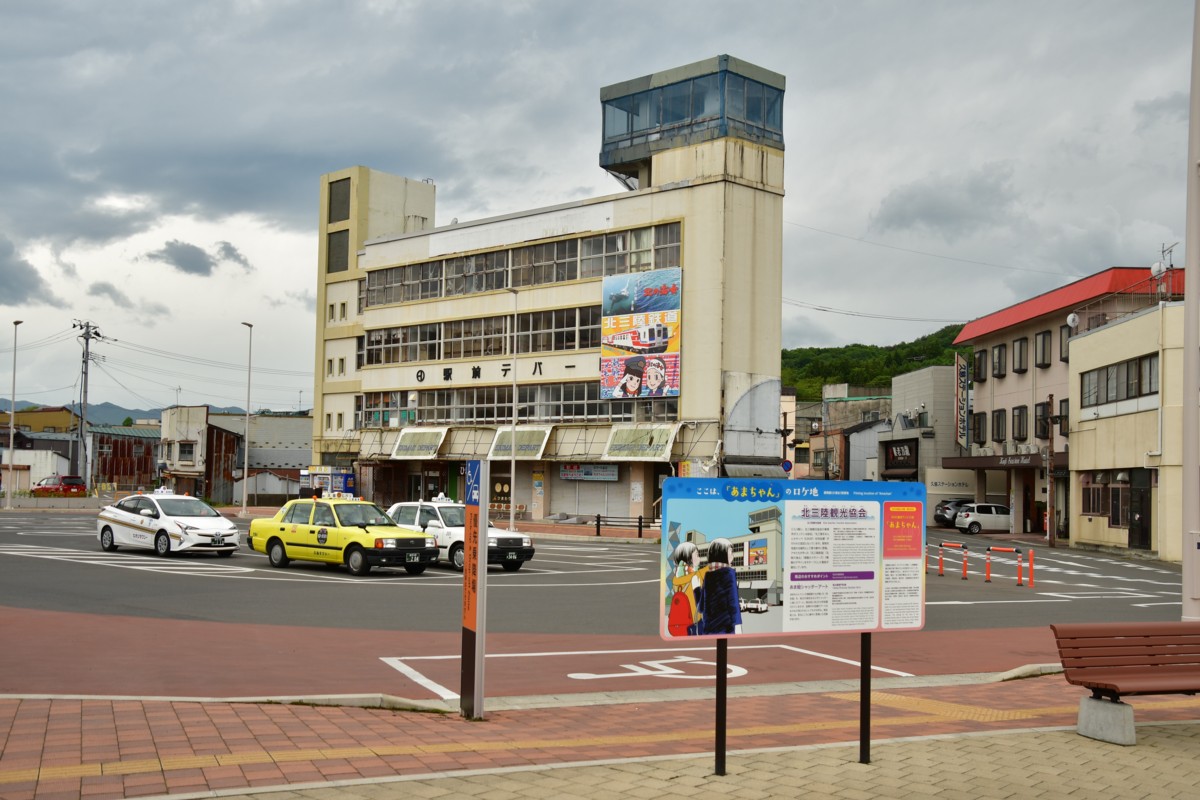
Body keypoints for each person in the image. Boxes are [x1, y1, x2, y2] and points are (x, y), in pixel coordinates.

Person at [700, 538, 743, 635]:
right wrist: (738, 626)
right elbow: (733, 604)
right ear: (722, 554)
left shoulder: (708, 576)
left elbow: (701, 607)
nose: (733, 556)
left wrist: (696, 589)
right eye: (731, 552)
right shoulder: (729, 573)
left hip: (708, 630)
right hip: (726, 629)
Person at [666, 541, 706, 636]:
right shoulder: (697, 575)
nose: (699, 558)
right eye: (697, 555)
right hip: (695, 622)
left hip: (680, 622)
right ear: (689, 559)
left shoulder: (676, 579)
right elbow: (711, 568)